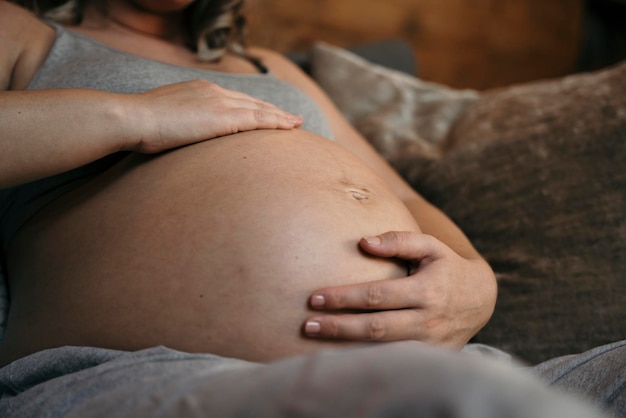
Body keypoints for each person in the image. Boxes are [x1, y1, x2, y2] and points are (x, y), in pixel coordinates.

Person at [0, 1, 623, 417]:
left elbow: (405, 197)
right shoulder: (25, 36)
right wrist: (134, 115)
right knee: (460, 399)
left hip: (450, 362)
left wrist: (476, 281)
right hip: (148, 373)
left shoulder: (267, 68)